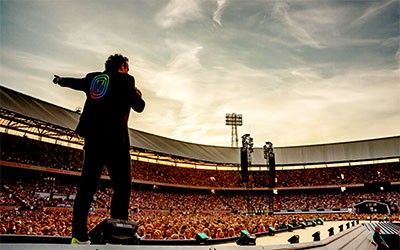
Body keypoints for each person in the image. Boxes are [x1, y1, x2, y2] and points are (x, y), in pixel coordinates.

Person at [53, 54, 145, 244]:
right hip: (116, 142)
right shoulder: (126, 80)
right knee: (122, 186)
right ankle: (116, 236)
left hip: (93, 140)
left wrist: (60, 80)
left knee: (86, 188)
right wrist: (137, 95)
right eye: (127, 67)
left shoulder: (94, 78)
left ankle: (78, 237)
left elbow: (75, 83)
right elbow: (139, 107)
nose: (128, 70)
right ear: (123, 66)